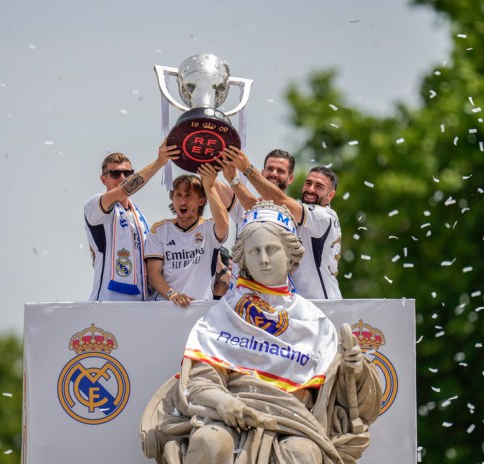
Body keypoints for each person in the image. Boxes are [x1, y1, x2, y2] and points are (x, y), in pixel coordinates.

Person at [140, 201, 382, 464]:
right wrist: (222, 402)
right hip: (230, 415)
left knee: (301, 453)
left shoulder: (313, 320)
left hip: (294, 422)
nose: (264, 259)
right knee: (209, 440)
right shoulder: (225, 313)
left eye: (272, 249)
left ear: (290, 255)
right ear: (243, 258)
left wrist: (354, 369)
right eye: (255, 251)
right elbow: (200, 381)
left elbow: (346, 397)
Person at [219, 146, 343, 300]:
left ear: (330, 195)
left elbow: (278, 200)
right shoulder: (300, 211)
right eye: (308, 183)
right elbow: (259, 208)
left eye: (318, 187)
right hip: (296, 304)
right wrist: (232, 179)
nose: (310, 189)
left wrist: (247, 169)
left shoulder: (324, 216)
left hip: (322, 304)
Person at [84, 140, 180, 301]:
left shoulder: (139, 217)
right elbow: (123, 190)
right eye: (115, 174)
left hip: (141, 304)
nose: (123, 178)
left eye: (128, 173)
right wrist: (159, 163)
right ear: (103, 180)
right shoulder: (95, 206)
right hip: (108, 302)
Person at [144, 163, 229, 308]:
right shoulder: (159, 230)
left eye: (188, 196)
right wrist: (173, 295)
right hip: (165, 307)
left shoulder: (208, 228)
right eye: (178, 195)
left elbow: (223, 225)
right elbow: (153, 273)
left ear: (201, 201)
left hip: (200, 309)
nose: (182, 201)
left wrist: (209, 187)